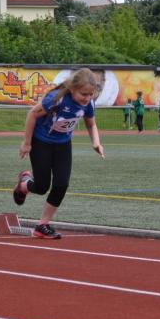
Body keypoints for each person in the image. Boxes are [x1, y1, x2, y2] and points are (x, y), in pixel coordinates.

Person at [12, 68, 104, 239]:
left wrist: (96, 142)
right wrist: (27, 143)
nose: (87, 98)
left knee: (61, 184)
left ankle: (42, 225)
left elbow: (91, 124)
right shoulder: (57, 99)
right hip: (41, 142)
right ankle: (24, 184)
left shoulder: (88, 104)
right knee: (41, 187)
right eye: (83, 94)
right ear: (72, 89)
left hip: (63, 144)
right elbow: (32, 114)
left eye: (90, 94)